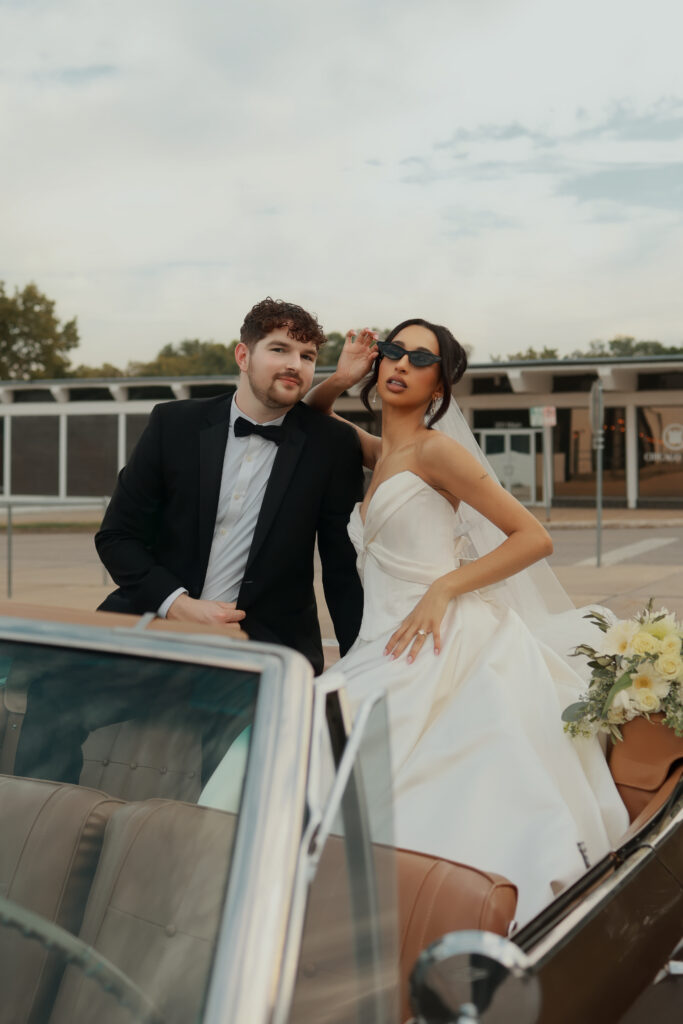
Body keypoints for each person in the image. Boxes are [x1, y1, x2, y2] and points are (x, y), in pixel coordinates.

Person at [305, 318, 629, 926]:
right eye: (393, 352)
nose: (400, 365)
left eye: (419, 359)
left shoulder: (435, 451)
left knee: (427, 789)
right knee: (317, 750)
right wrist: (341, 376)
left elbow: (533, 537)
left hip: (439, 637)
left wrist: (447, 584)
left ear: (439, 388)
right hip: (379, 643)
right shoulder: (381, 453)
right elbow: (312, 416)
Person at [95, 297, 364, 674]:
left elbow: (342, 570)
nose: (295, 364)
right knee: (52, 703)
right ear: (243, 356)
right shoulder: (173, 425)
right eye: (279, 349)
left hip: (266, 651)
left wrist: (361, 666)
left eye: (307, 356)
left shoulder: (332, 445)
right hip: (151, 624)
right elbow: (117, 536)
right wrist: (178, 606)